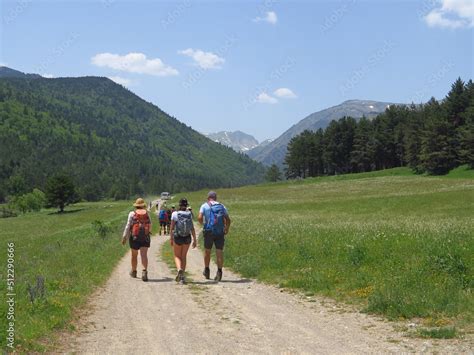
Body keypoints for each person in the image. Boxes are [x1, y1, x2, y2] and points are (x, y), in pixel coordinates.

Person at [198, 191, 231, 281]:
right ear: (215, 198)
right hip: (220, 232)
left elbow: (200, 218)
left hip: (209, 231)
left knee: (207, 251)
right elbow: (228, 219)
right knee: (219, 252)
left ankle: (207, 270)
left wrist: (203, 225)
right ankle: (219, 272)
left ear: (208, 197)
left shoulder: (204, 205)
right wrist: (226, 229)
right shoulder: (222, 206)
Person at [122, 198, 151, 281]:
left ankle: (134, 271)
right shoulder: (147, 213)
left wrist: (124, 237)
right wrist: (147, 234)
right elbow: (150, 225)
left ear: (136, 206)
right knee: (144, 255)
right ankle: (144, 271)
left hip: (134, 237)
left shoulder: (132, 213)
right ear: (143, 205)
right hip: (145, 237)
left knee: (134, 255)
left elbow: (128, 226)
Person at [169, 198, 197, 284]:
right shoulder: (189, 214)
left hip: (178, 237)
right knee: (183, 256)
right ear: (186, 205)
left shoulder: (175, 214)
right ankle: (182, 277)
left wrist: (171, 238)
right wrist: (195, 240)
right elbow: (192, 228)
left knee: (177, 256)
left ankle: (179, 269)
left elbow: (172, 228)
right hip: (187, 237)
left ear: (179, 205)